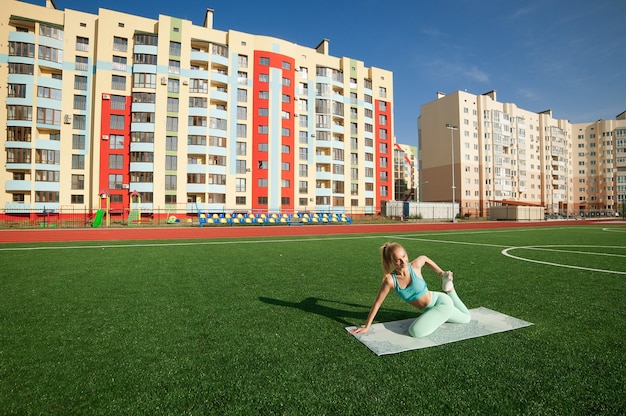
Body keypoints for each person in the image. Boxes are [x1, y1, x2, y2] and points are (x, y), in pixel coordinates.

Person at [350, 242, 471, 338]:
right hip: (431, 309)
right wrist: (366, 327)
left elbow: (424, 258)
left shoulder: (415, 266)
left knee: (415, 332)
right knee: (466, 318)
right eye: (397, 260)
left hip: (441, 302)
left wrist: (442, 273)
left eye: (404, 256)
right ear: (390, 262)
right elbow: (377, 304)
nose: (403, 262)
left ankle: (449, 291)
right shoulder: (390, 281)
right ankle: (450, 291)